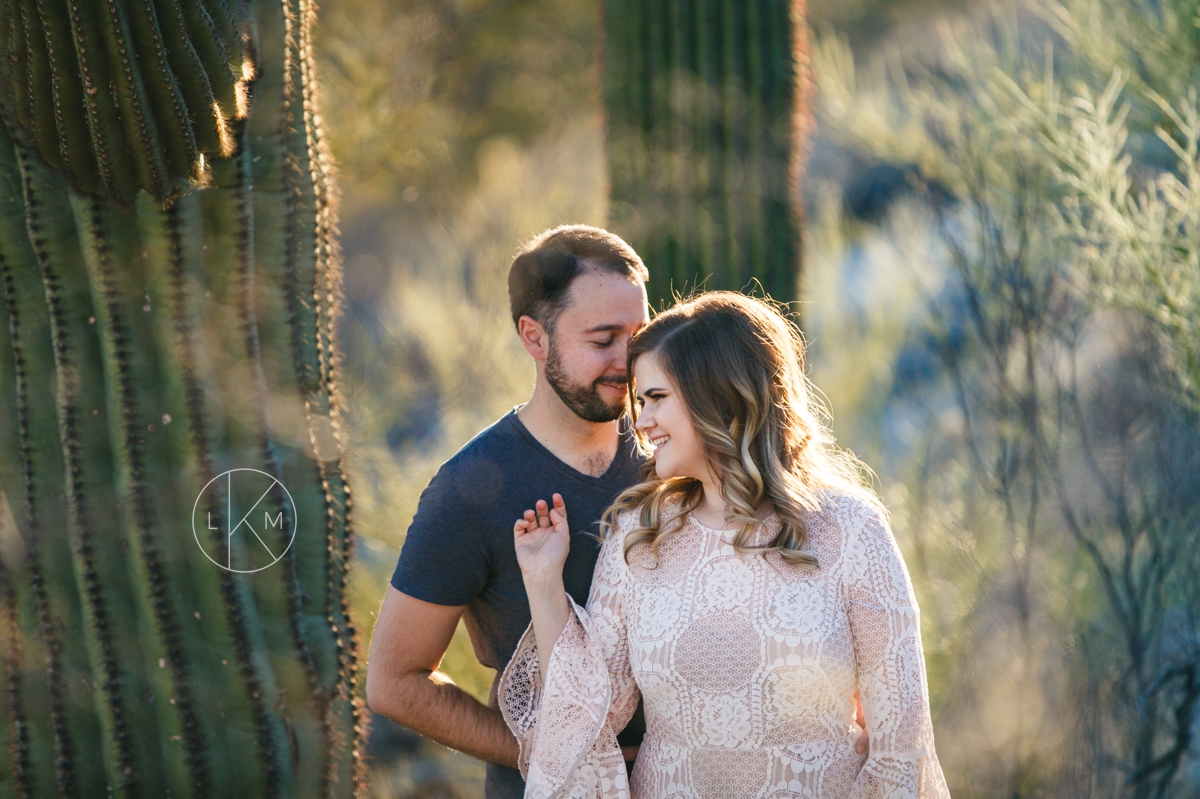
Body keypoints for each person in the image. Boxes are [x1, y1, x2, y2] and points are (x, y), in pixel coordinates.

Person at [504, 291, 950, 798]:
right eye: (639, 401)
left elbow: (899, 751)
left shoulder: (850, 531)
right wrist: (542, 582)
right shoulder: (638, 532)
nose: (641, 421)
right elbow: (586, 715)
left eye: (656, 399)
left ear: (716, 394)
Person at [365, 225, 653, 798]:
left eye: (639, 336)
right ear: (534, 337)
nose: (628, 361)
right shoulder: (466, 491)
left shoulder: (672, 449)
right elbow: (394, 682)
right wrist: (546, 753)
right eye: (602, 340)